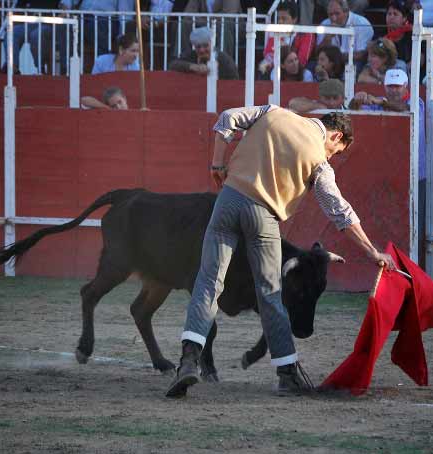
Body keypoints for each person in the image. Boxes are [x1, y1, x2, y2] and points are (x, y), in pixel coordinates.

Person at [165, 105, 396, 398]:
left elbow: (227, 118)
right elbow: (340, 211)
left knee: (209, 282)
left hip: (227, 202)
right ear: (336, 136)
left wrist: (217, 165)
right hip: (263, 216)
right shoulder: (318, 162)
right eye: (336, 152)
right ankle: (287, 374)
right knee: (270, 293)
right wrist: (372, 251)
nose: (331, 157)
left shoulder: (272, 112)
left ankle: (187, 362)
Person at [349, 68, 427, 265]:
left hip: (414, 174)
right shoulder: (381, 104)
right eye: (390, 87)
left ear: (406, 87)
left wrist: (379, 101)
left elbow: (404, 110)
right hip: (388, 173)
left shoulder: (416, 102)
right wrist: (356, 101)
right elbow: (353, 113)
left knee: (413, 226)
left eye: (397, 87)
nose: (393, 90)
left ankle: (413, 267)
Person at [258, 1, 315, 79]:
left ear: (294, 19)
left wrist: (285, 49)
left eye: (284, 18)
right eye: (278, 18)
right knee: (264, 69)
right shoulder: (275, 31)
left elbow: (302, 60)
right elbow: (268, 55)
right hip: (279, 68)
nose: (280, 22)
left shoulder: (306, 34)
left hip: (297, 71)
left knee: (307, 75)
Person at [316, 0, 374, 70]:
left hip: (353, 61)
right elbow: (318, 53)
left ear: (346, 12)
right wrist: (327, 38)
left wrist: (337, 58)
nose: (334, 18)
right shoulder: (324, 24)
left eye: (337, 14)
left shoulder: (362, 24)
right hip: (332, 63)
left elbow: (361, 54)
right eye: (330, 14)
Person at [8, 0, 60, 74]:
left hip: (48, 23)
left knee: (36, 35)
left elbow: (64, 7)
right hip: (29, 23)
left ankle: (40, 67)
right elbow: (18, 8)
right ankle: (13, 68)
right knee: (12, 33)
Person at [169, 27, 239, 80]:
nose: (202, 50)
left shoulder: (225, 60)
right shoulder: (191, 55)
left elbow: (235, 80)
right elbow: (173, 65)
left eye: (205, 45)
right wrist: (193, 67)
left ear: (212, 44)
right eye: (198, 47)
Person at [380, 0, 415, 67]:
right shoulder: (380, 34)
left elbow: (420, 58)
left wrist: (404, 68)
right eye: (389, 14)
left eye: (395, 14)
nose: (391, 17)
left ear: (404, 18)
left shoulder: (412, 34)